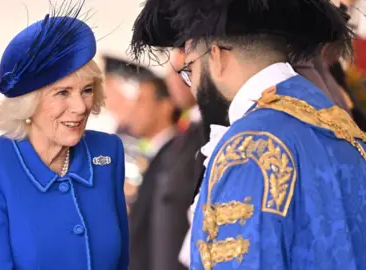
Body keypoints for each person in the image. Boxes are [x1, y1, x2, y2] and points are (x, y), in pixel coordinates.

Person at [129, 0, 366, 269]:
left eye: (190, 71)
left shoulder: (247, 149)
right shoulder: (342, 127)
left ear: (216, 56)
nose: (193, 86)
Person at [0, 3, 129, 269]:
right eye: (62, 92)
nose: (81, 107)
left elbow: (121, 260)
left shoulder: (107, 151)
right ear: (28, 102)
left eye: (87, 90)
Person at [127, 67, 180, 270]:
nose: (133, 110)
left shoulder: (177, 156)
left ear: (165, 105)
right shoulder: (156, 154)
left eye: (141, 101)